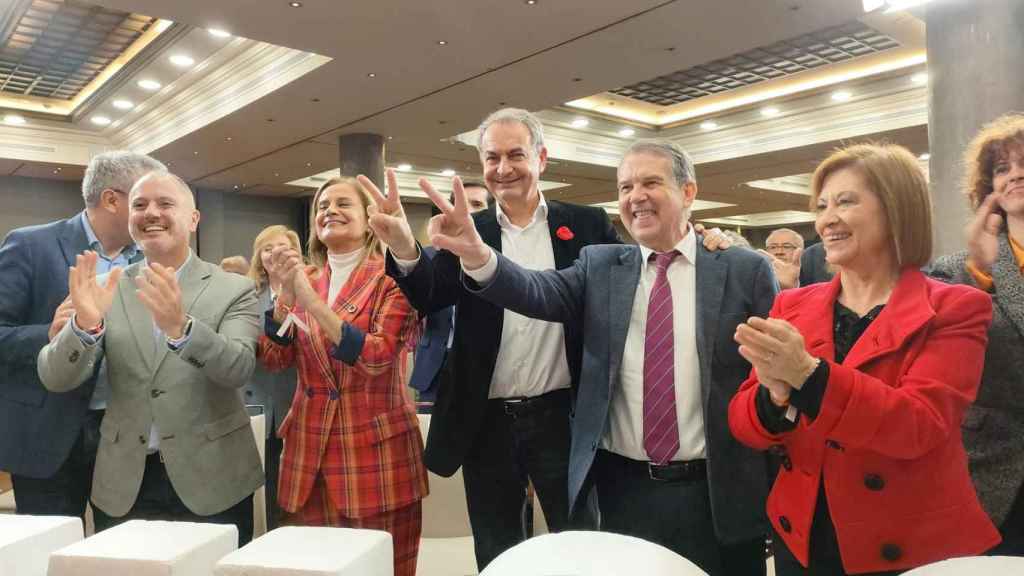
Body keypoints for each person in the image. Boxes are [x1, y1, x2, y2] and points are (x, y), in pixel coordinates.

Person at [408, 139, 778, 576]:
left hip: (716, 490)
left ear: (689, 192)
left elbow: (771, 381)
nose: (634, 196)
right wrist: (476, 254)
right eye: (624, 187)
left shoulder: (742, 270)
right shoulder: (601, 267)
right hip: (622, 491)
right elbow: (535, 290)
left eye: (650, 182)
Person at [366, 108, 621, 570]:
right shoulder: (472, 228)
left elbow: (627, 285)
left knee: (581, 543)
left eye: (516, 155)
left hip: (563, 415)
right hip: (486, 421)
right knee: (496, 546)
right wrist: (405, 246)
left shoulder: (587, 225)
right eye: (492, 157)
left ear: (542, 158)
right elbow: (429, 294)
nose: (503, 169)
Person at [729, 143, 1000, 575]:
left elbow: (919, 424)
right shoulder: (791, 305)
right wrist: (773, 397)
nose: (826, 219)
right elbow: (744, 423)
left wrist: (806, 375)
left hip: (909, 547)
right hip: (803, 539)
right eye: (822, 205)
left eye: (846, 201)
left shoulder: (956, 307)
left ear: (896, 208)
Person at [37, 171, 264, 543]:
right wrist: (85, 327)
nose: (150, 212)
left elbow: (238, 368)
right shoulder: (101, 288)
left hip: (214, 478)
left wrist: (182, 329)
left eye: (165, 203)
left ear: (193, 219)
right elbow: (54, 376)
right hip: (125, 480)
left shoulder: (234, 289)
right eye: (139, 205)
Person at [259, 177, 425, 576]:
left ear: (370, 221)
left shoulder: (392, 278)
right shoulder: (307, 276)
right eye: (321, 206)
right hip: (306, 458)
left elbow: (375, 358)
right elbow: (273, 359)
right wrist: (283, 301)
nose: (329, 210)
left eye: (342, 204)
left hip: (376, 458)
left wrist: (311, 302)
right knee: (312, 568)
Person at [0, 151, 164, 519]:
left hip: (128, 437)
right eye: (143, 200)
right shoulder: (30, 245)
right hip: (48, 436)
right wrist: (50, 332)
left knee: (122, 553)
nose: (153, 213)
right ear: (111, 199)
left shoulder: (150, 262)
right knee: (49, 552)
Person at [928, 113, 1024, 555]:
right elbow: (939, 351)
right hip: (990, 465)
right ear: (989, 188)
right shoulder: (954, 270)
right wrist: (980, 275)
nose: (1016, 174)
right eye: (1003, 168)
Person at [408, 182, 491, 409]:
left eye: (475, 204)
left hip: (483, 367)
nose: (466, 210)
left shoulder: (500, 262)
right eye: (458, 204)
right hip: (434, 364)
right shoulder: (428, 255)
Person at [241, 225, 301, 530]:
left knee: (288, 483)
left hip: (295, 397)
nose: (274, 253)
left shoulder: (310, 289)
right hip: (255, 396)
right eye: (267, 248)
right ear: (258, 257)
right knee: (258, 479)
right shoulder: (245, 295)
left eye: (281, 246)